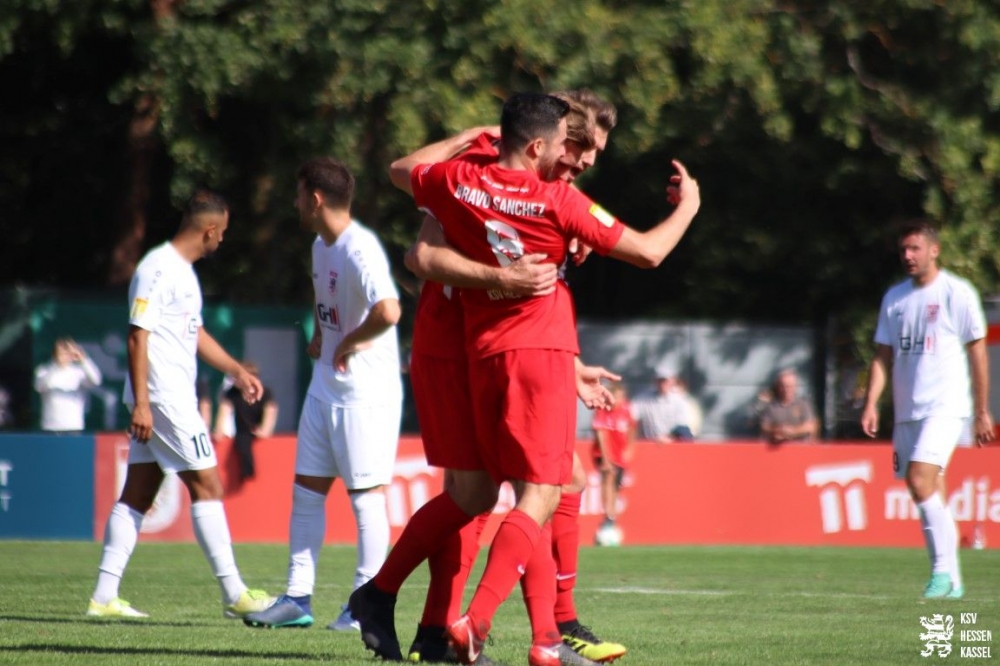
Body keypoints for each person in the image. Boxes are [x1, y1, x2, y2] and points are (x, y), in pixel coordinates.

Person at [351, 92, 699, 666]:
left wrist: (569, 357)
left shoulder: (552, 191)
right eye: (579, 145)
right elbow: (422, 258)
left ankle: (532, 630)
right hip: (456, 345)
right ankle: (474, 628)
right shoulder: (500, 169)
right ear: (543, 140)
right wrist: (503, 277)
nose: (584, 161)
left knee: (521, 486)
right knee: (511, 489)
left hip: (501, 347)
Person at [86, 190, 274, 619]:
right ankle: (236, 595)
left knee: (137, 493)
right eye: (221, 233)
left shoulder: (184, 273)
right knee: (208, 485)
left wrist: (236, 371)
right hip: (164, 399)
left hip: (166, 398)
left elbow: (195, 335)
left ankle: (103, 597)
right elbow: (138, 335)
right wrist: (143, 404)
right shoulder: (156, 268)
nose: (222, 241)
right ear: (209, 230)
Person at [243, 157, 403, 633]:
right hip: (324, 388)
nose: (294, 204)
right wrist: (321, 335)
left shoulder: (360, 249)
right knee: (306, 493)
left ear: (314, 199)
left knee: (366, 500)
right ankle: (296, 598)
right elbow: (325, 298)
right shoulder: (320, 246)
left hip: (365, 396)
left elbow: (390, 311)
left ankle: (364, 605)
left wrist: (350, 343)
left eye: (297, 195)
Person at [860, 219, 995, 599]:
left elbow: (978, 352)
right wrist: (872, 403)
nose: (908, 255)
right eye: (903, 249)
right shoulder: (896, 298)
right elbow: (882, 356)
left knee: (919, 480)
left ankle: (939, 574)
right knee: (928, 487)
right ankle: (953, 580)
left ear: (934, 250)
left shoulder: (956, 292)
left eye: (915, 248)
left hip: (946, 407)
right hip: (907, 410)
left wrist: (982, 410)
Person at [214, 360, 279, 481]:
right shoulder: (232, 393)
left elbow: (270, 411)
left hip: (257, 430)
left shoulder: (265, 393)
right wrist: (219, 430)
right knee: (243, 441)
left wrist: (265, 431)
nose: (235, 380)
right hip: (241, 432)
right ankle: (247, 472)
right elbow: (224, 411)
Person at [590, 380, 635, 543]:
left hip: (619, 454)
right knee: (608, 478)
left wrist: (630, 448)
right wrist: (606, 459)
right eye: (616, 396)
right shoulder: (602, 409)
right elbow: (600, 434)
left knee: (616, 485)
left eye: (622, 396)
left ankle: (611, 516)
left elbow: (632, 427)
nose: (619, 400)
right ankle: (608, 515)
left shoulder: (626, 409)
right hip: (603, 453)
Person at [34, 337, 103, 433]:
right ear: (54, 354)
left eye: (67, 352)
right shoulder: (43, 370)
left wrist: (83, 359)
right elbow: (39, 386)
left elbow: (96, 380)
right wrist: (56, 365)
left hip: (73, 427)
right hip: (50, 427)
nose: (64, 355)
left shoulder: (78, 372)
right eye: (61, 352)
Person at [630, 364, 695, 443]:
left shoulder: (679, 401)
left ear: (672, 381)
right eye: (659, 380)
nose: (662, 384)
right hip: (650, 446)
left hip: (673, 446)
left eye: (665, 380)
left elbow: (682, 426)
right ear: (655, 381)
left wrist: (668, 437)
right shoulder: (642, 400)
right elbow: (630, 417)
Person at [758, 369, 819, 444]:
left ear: (795, 386)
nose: (786, 390)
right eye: (783, 386)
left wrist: (793, 431)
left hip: (800, 450)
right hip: (777, 450)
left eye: (789, 386)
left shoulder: (803, 405)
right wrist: (778, 430)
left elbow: (811, 426)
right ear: (778, 387)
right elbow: (764, 426)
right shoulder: (771, 407)